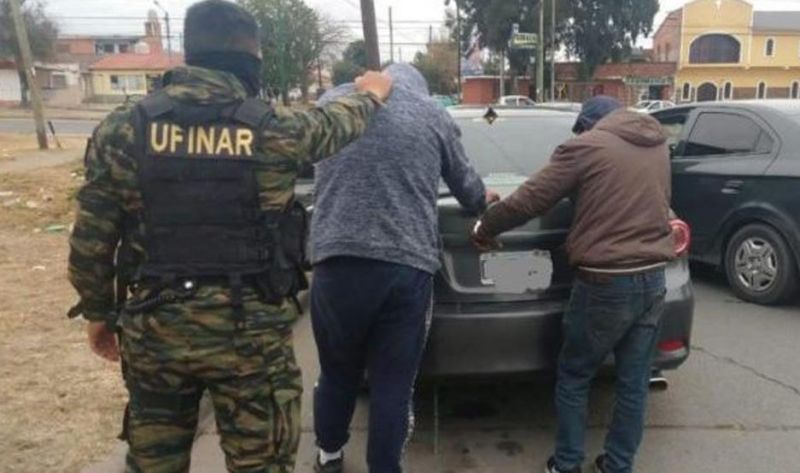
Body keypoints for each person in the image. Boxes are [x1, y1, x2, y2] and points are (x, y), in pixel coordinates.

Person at [66, 1, 393, 471]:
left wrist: (99, 313)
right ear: (251, 59)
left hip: (156, 333)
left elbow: (91, 239)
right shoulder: (273, 129)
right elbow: (335, 124)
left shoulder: (124, 129)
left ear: (190, 51)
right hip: (250, 339)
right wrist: (372, 93)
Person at [471, 96, 675, 473]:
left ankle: (566, 464)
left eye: (581, 130)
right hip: (653, 276)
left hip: (605, 281)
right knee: (634, 381)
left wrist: (486, 226)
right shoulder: (657, 143)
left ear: (588, 125)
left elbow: (530, 199)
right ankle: (618, 465)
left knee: (575, 375)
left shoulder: (587, 147)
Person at [309, 63, 497, 473]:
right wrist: (485, 200)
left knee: (336, 371)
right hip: (404, 268)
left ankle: (328, 454)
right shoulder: (431, 114)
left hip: (335, 263)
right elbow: (467, 188)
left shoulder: (332, 101)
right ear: (421, 91)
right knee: (392, 384)